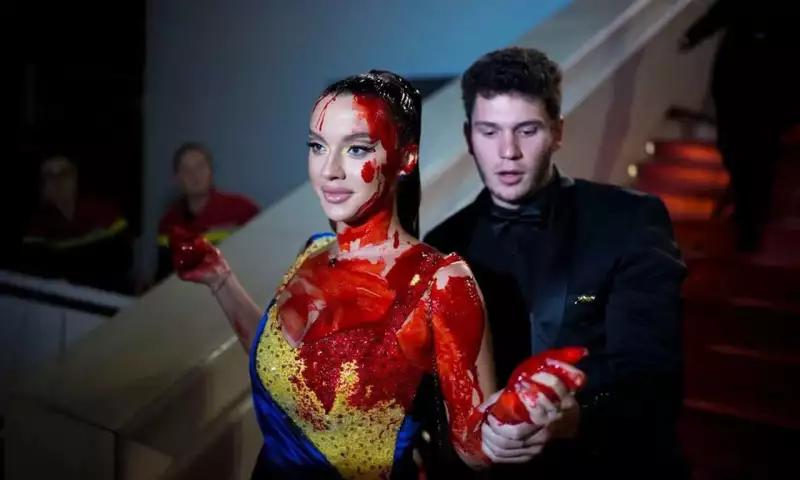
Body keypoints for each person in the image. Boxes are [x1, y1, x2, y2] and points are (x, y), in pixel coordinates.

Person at [171, 70, 587, 479]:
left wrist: (511, 421)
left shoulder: (441, 283)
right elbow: (283, 368)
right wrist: (220, 280)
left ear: (405, 158)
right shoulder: (312, 252)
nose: (329, 169)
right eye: (317, 146)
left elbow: (472, 446)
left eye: (356, 149)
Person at [424, 47, 688, 478]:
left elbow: (654, 381)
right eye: (489, 132)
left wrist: (576, 417)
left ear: (557, 131)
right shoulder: (443, 246)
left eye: (526, 130)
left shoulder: (629, 221)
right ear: (469, 137)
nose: (508, 151)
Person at [679, 0, 799, 250]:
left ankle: (751, 221)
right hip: (735, 85)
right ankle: (747, 210)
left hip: (771, 90)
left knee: (761, 158)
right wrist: (693, 36)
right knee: (733, 149)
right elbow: (722, 11)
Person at [20, 154, 133, 293]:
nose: (58, 182)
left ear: (75, 178)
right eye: (49, 176)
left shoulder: (105, 211)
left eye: (64, 174)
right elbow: (35, 270)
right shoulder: (37, 225)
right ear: (42, 186)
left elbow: (122, 259)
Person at [156, 142, 260, 280]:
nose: (194, 175)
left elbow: (259, 261)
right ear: (177, 178)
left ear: (211, 171)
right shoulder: (168, 223)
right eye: (186, 170)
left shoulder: (243, 210)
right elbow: (164, 275)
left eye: (200, 167)